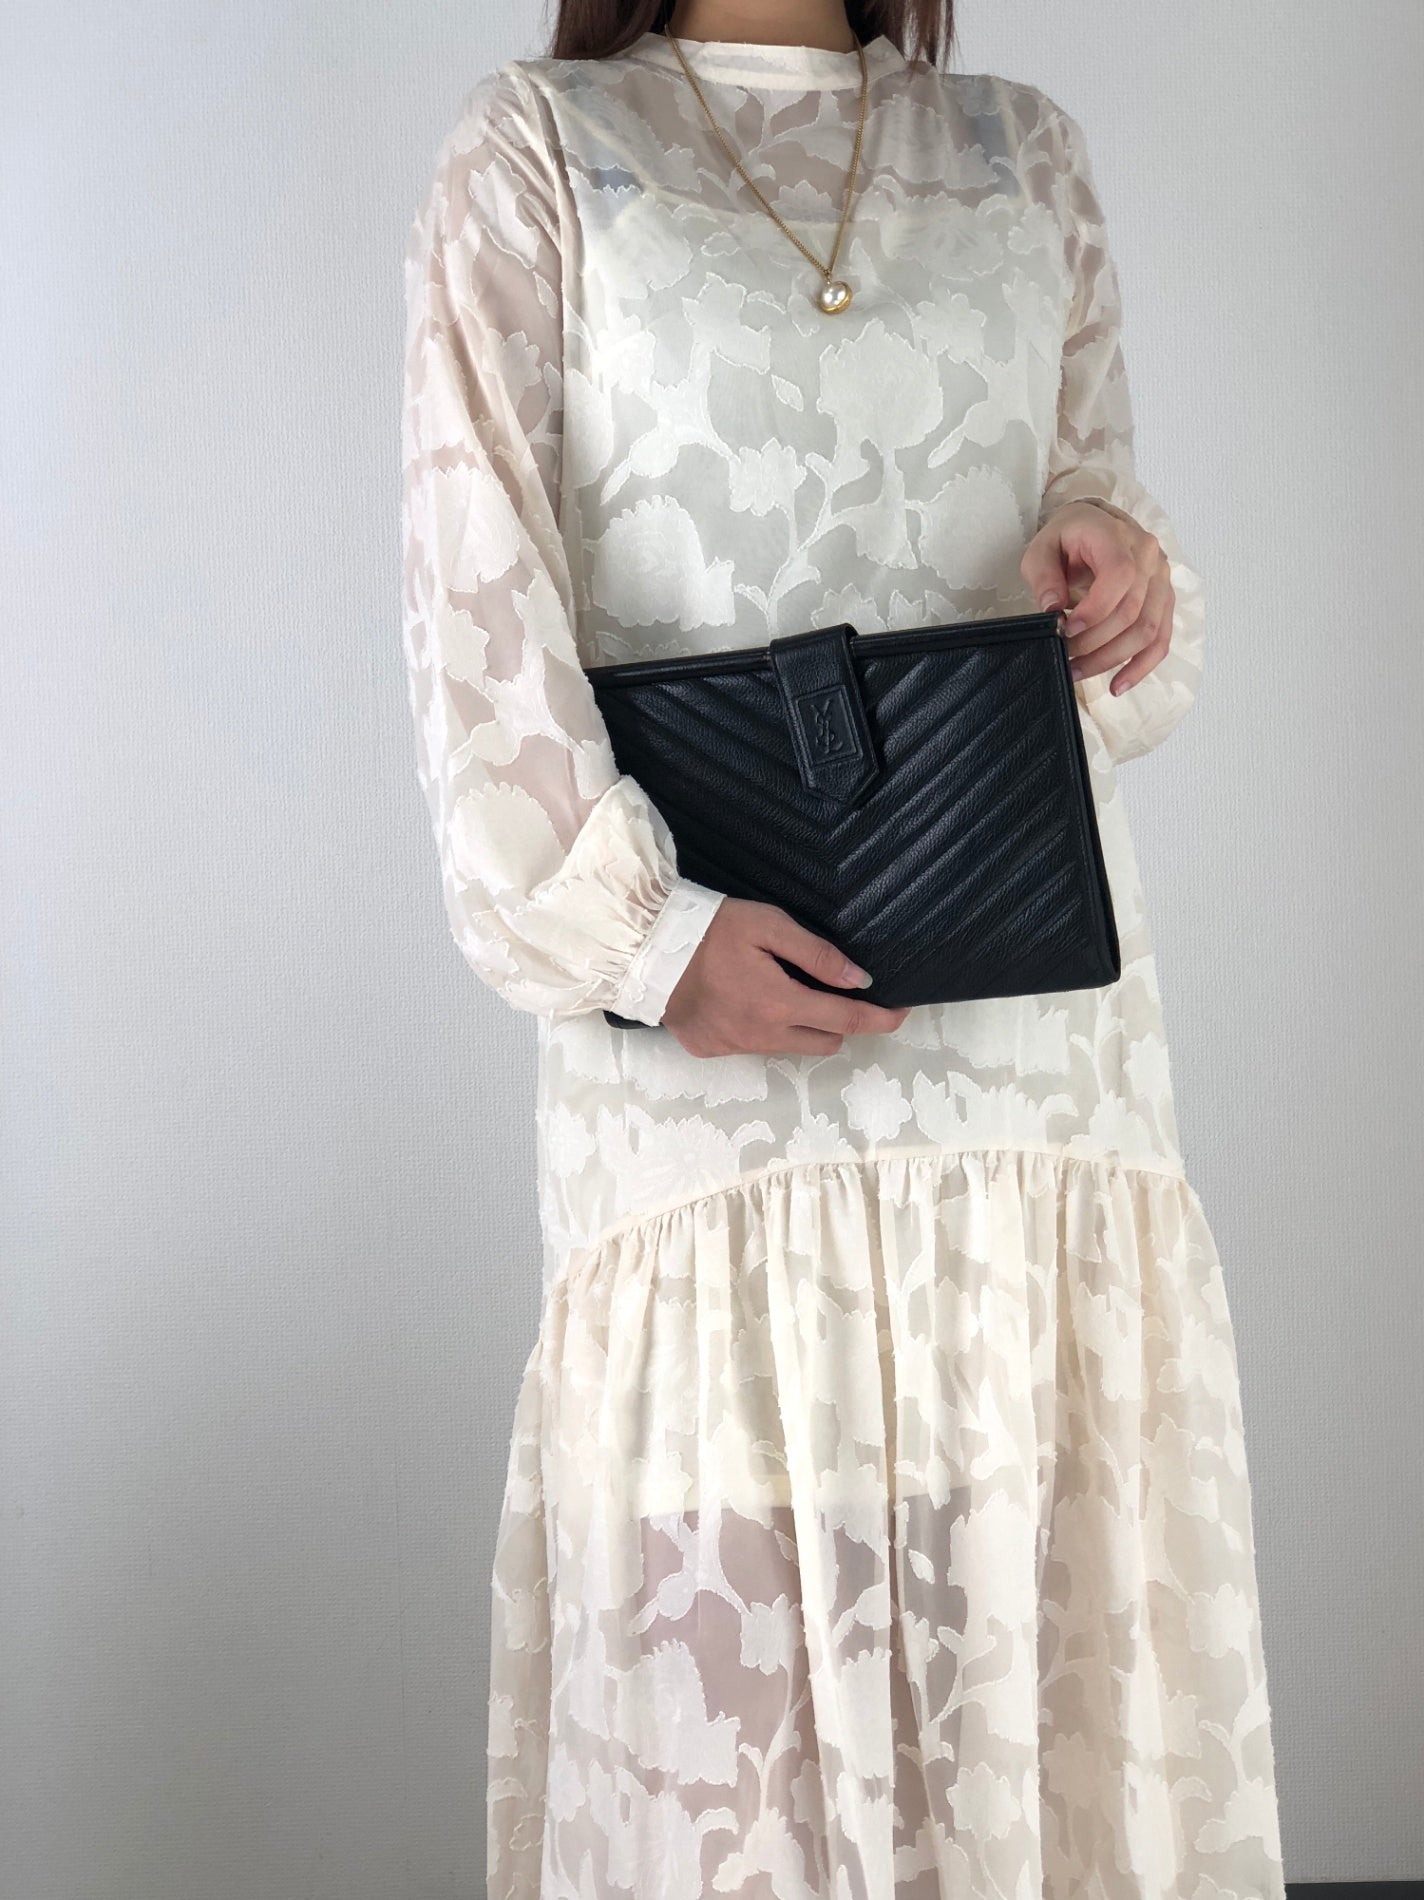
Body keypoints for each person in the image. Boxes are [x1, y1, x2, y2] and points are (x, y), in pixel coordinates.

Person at [400, 0, 1287, 1892]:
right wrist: (650, 943)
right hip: (710, 1104)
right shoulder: (538, 154)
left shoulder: (1021, 153)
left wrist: (1116, 572)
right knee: (737, 1765)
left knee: (1031, 1713)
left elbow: (1099, 570)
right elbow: (479, 608)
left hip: (1035, 1094)